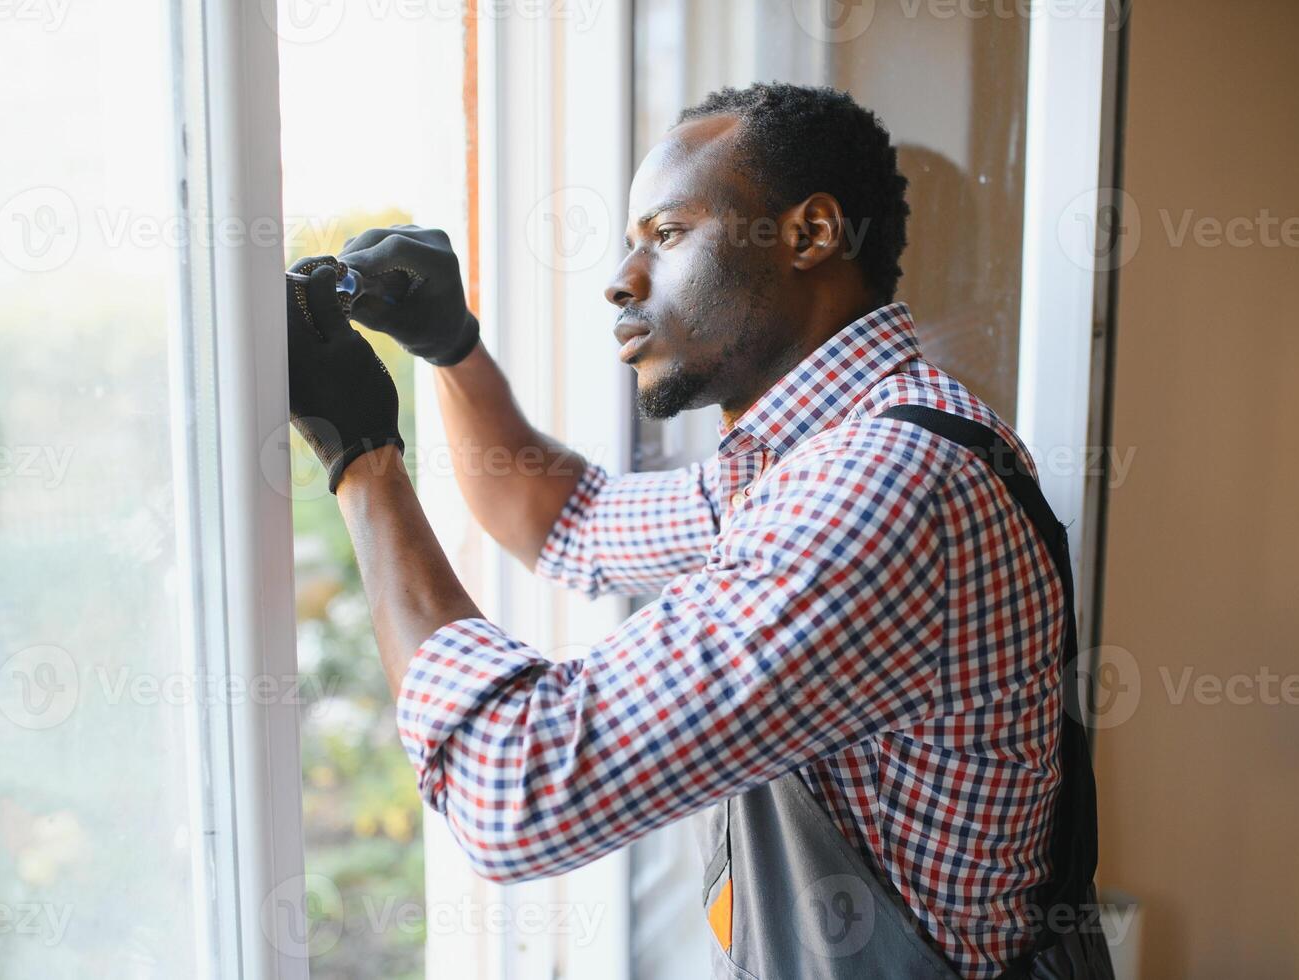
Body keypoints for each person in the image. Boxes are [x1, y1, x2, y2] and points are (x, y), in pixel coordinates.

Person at [285, 82, 1112, 979]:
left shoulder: (876, 490)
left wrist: (362, 460)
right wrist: (450, 348)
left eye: (666, 235)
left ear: (810, 233)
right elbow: (567, 522)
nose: (620, 279)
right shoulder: (829, 450)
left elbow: (510, 789)